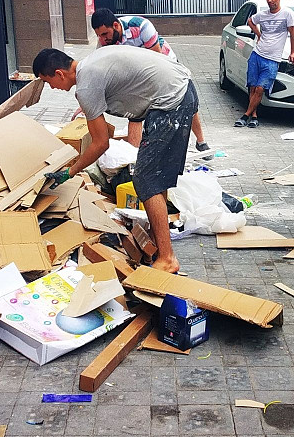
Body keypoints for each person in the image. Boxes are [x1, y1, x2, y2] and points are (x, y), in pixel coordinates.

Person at [34, 47, 197, 274]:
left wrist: (70, 172)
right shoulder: (90, 66)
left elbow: (101, 143)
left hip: (170, 102)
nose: (52, 88)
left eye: (48, 81)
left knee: (145, 179)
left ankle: (167, 258)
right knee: (155, 176)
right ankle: (159, 241)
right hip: (180, 90)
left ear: (60, 73)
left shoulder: (87, 84)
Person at [90, 9, 211, 157]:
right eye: (98, 36)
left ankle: (201, 141)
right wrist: (89, 101)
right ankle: (132, 158)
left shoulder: (141, 26)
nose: (102, 40)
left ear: (115, 25)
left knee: (187, 101)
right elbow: (99, 74)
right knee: (134, 112)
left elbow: (156, 60)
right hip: (137, 75)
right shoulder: (104, 44)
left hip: (166, 66)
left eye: (104, 34)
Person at [235, 0, 294, 128]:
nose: (270, 0)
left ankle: (245, 115)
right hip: (257, 55)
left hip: (272, 59)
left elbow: (293, 33)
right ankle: (254, 117)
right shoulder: (263, 15)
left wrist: (293, 52)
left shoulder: (287, 14)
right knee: (252, 87)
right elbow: (250, 21)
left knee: (261, 88)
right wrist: (259, 34)